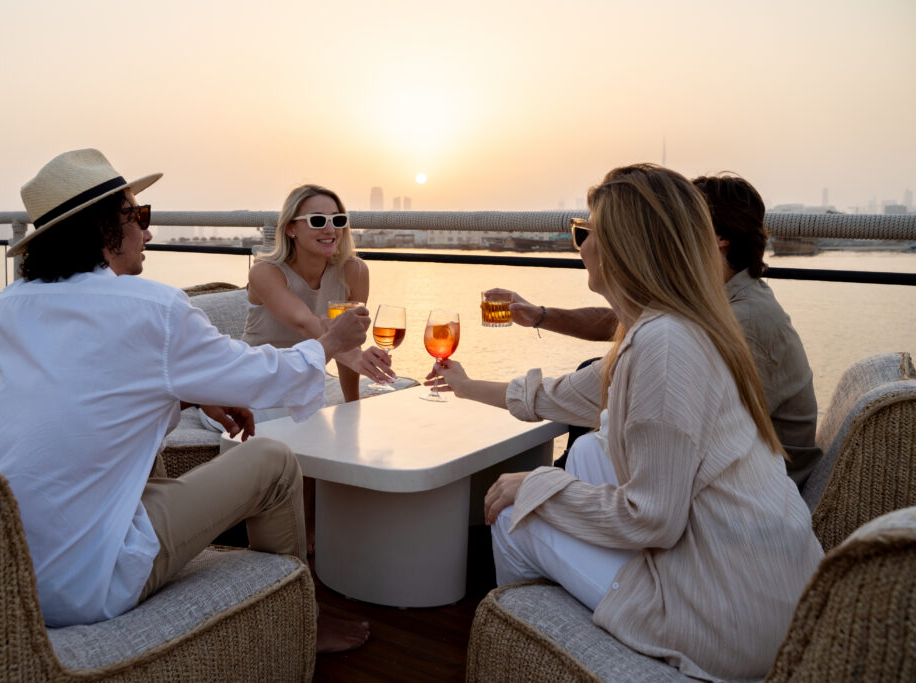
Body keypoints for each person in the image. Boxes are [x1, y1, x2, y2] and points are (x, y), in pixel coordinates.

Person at [428, 164, 823, 680]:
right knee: (592, 451)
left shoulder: (664, 345)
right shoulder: (679, 325)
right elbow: (569, 396)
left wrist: (541, 483)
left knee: (511, 513)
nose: (581, 246)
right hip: (769, 581)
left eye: (584, 232)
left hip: (728, 618)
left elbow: (654, 518)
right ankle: (587, 600)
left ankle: (534, 648)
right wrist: (466, 384)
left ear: (622, 245)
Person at [0, 149, 369, 651]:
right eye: (138, 216)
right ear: (103, 229)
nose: (149, 232)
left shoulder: (12, 306)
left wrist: (191, 396)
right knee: (273, 459)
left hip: (8, 562)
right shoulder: (154, 308)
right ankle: (300, 622)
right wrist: (331, 343)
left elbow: (92, 393)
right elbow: (261, 374)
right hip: (87, 579)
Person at [492, 173, 822, 487]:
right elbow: (624, 326)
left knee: (607, 397)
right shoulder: (719, 299)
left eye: (679, 224)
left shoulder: (742, 320)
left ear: (719, 238)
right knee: (602, 387)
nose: (664, 235)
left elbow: (632, 378)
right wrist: (541, 316)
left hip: (754, 492)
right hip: (730, 472)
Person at [242, 184, 395, 403]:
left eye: (337, 220)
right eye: (317, 221)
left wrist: (352, 404)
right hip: (252, 388)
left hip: (305, 393)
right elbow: (305, 322)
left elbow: (349, 340)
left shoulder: (354, 271)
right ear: (290, 228)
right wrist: (356, 358)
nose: (330, 230)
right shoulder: (264, 272)